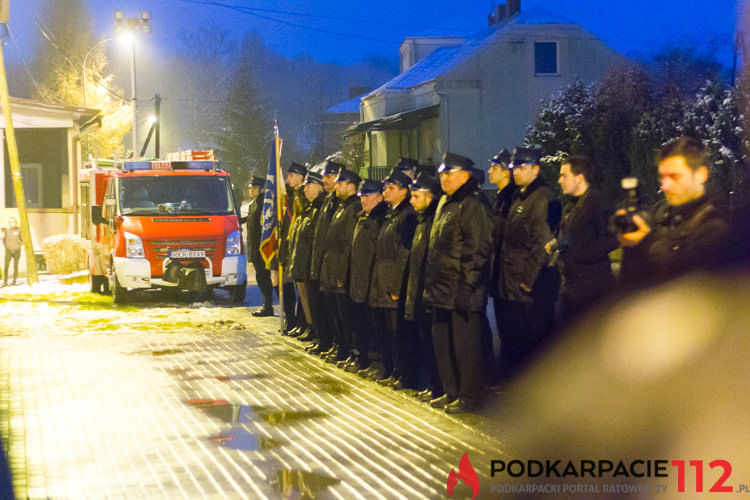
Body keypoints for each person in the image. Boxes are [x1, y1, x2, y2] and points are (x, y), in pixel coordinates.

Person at [424, 152, 493, 414]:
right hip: (442, 289)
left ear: (464, 176)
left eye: (448, 174)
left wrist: (467, 287)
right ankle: (451, 391)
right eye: (441, 174)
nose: (443, 179)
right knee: (443, 345)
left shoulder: (472, 205)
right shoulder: (445, 202)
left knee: (465, 348)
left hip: (462, 290)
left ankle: (469, 395)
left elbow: (477, 250)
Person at [618, 136, 729, 286]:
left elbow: (688, 285)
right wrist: (632, 245)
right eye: (663, 177)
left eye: (674, 176)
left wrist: (645, 243)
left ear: (701, 174)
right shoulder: (663, 215)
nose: (665, 186)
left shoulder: (715, 226)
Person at [498, 147, 554, 378]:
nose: (516, 172)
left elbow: (540, 243)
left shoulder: (541, 197)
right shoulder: (518, 196)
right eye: (514, 168)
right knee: (514, 339)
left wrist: (528, 281)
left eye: (522, 167)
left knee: (531, 341)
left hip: (526, 286)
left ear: (535, 169)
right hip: (512, 283)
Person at [548, 155, 618, 321]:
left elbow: (613, 237)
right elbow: (573, 236)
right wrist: (557, 244)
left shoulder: (596, 202)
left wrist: (581, 253)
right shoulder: (572, 204)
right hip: (573, 288)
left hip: (592, 292)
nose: (559, 180)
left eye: (564, 175)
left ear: (579, 178)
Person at [368, 169, 417, 386]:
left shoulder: (407, 216)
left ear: (404, 192)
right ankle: (392, 370)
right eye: (386, 188)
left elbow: (403, 255)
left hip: (393, 288)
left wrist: (397, 287)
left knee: (400, 334)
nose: (386, 192)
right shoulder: (391, 214)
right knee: (387, 332)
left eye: (391, 188)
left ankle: (404, 374)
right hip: (383, 283)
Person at [404, 174, 443, 402]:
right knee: (427, 343)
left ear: (429, 198)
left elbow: (431, 261)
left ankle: (438, 386)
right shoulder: (422, 220)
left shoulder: (430, 222)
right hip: (420, 292)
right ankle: (434, 385)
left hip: (429, 293)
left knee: (433, 344)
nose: (412, 200)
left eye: (416, 196)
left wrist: (427, 293)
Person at [319, 168, 362, 364]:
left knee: (348, 318)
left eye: (340, 183)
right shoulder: (341, 206)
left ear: (351, 186)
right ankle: (341, 348)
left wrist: (341, 274)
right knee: (336, 316)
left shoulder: (353, 208)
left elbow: (347, 245)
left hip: (340, 273)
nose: (336, 186)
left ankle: (353, 352)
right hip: (331, 269)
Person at [349, 179, 388, 374]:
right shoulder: (362, 217)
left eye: (368, 196)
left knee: (375, 328)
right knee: (361, 325)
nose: (363, 200)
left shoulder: (380, 219)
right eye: (361, 196)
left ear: (380, 197)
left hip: (373, 283)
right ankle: (362, 359)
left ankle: (377, 363)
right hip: (359, 281)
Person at [487, 149, 516, 383]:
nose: (490, 171)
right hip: (499, 273)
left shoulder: (512, 197)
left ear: (506, 171)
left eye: (494, 168)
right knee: (505, 329)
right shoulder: (500, 196)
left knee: (513, 329)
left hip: (509, 274)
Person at [308, 160, 342, 355]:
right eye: (324, 177)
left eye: (329, 176)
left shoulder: (338, 203)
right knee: (327, 310)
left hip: (333, 267)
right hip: (323, 264)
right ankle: (332, 343)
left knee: (335, 313)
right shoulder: (329, 200)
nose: (325, 180)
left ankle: (339, 345)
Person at [289, 171, 326, 344]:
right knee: (307, 299)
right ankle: (313, 329)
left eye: (308, 187)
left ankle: (318, 333)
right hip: (305, 264)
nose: (304, 192)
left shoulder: (319, 211)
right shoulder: (308, 212)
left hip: (315, 266)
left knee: (318, 304)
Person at [246, 177, 274, 316]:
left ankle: (268, 305)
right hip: (254, 246)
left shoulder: (264, 204)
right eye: (251, 187)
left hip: (262, 247)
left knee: (264, 277)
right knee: (260, 277)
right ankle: (266, 305)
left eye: (255, 188)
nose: (251, 190)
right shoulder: (253, 204)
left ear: (262, 189)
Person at [3, 217, 22, 286]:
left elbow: (22, 240)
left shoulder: (19, 230)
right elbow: (4, 240)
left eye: (13, 222)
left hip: (17, 251)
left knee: (15, 266)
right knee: (6, 266)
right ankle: (5, 282)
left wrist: (18, 246)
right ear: (9, 223)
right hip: (8, 251)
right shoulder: (7, 230)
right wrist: (7, 247)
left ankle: (14, 281)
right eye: (11, 222)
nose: (12, 223)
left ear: (16, 223)